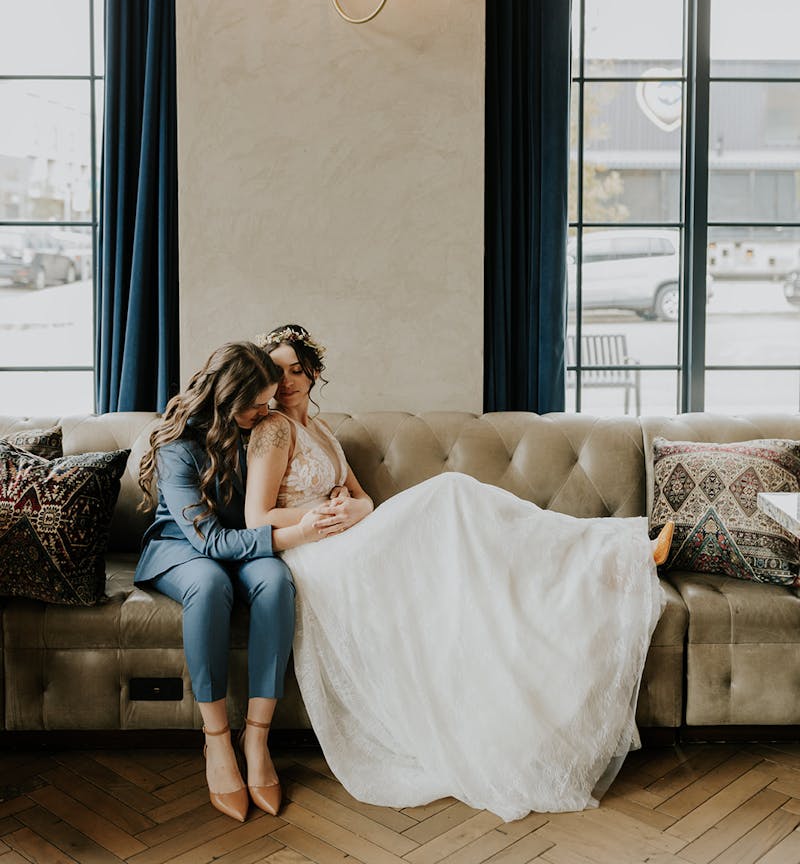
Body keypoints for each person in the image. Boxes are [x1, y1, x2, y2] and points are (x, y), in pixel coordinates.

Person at [244, 324, 675, 823]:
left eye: (298, 369)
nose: (289, 381)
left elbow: (362, 499)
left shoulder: (320, 429)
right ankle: (610, 555)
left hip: (349, 535)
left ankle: (611, 558)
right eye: (278, 373)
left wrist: (353, 513)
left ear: (313, 373)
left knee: (467, 537)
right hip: (316, 553)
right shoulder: (272, 430)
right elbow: (258, 518)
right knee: (450, 492)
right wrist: (317, 519)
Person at [135, 341, 323, 823]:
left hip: (245, 539)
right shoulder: (178, 447)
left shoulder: (259, 428)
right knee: (208, 583)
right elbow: (212, 543)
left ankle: (257, 738)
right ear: (225, 399)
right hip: (183, 546)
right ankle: (216, 740)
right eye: (256, 403)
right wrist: (294, 533)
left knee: (276, 582)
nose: (267, 410)